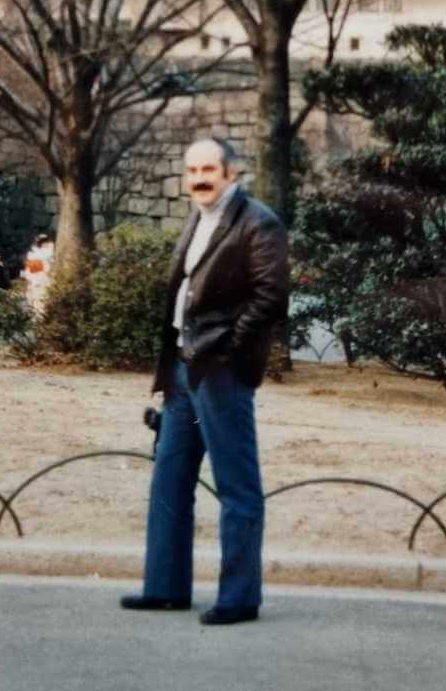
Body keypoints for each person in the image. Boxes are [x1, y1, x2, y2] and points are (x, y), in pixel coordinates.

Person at [121, 136, 289, 627]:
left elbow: (271, 297)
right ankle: (166, 588)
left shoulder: (259, 223)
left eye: (208, 169)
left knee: (237, 486)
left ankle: (239, 598)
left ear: (231, 173)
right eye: (192, 169)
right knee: (170, 479)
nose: (198, 178)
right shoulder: (199, 216)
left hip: (219, 372)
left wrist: (229, 350)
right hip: (181, 368)